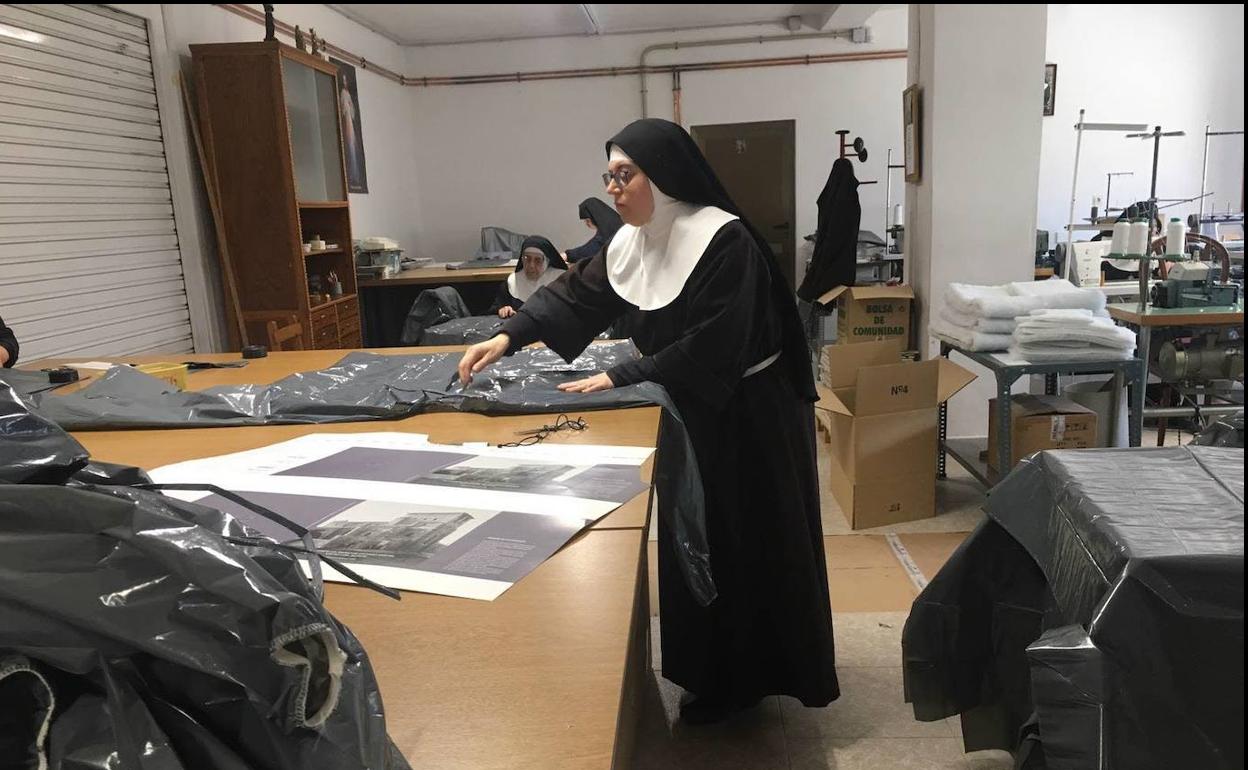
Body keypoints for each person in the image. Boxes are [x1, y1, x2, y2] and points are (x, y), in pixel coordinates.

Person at [458, 119, 839, 723]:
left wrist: (621, 375)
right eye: (608, 175)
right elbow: (576, 295)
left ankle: (752, 682)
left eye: (624, 174)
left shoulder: (724, 240)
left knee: (745, 541)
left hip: (750, 419)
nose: (613, 188)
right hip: (694, 408)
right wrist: (508, 335)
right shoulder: (634, 240)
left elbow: (716, 342)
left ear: (661, 176)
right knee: (696, 538)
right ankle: (709, 675)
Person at [488, 236, 567, 319]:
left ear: (547, 261)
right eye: (527, 258)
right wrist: (503, 310)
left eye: (538, 260)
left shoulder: (561, 281)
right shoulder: (512, 282)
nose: (531, 265)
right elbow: (496, 309)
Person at [563, 197, 624, 263]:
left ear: (595, 216)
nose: (587, 224)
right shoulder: (616, 222)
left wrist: (567, 255)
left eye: (588, 220)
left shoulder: (607, 232)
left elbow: (590, 249)